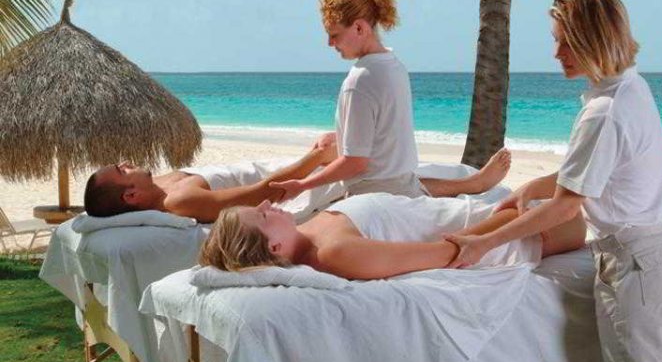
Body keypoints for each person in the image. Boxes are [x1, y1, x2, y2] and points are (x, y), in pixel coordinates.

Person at [442, 0, 662, 362]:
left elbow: (565, 209)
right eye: (556, 40)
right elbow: (604, 166)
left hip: (639, 266)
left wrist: (484, 243)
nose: (557, 53)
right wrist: (534, 185)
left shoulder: (603, 112)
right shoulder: (633, 86)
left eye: (566, 42)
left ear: (594, 39)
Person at [199, 186, 662, 282]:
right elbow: (445, 252)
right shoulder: (338, 252)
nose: (267, 205)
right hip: (500, 237)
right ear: (274, 247)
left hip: (479, 216)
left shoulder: (312, 228)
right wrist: (509, 222)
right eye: (262, 215)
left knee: (601, 188)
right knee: (599, 218)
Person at [270, 0, 504, 200]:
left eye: (334, 35)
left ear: (359, 28)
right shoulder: (394, 66)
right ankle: (472, 183)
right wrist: (340, 135)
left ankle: (473, 183)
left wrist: (303, 185)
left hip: (374, 195)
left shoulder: (359, 81)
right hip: (402, 181)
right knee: (413, 183)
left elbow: (355, 163)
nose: (330, 43)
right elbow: (384, 128)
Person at [83, 139, 511, 223]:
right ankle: (471, 186)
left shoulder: (162, 183)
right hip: (288, 198)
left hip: (268, 167)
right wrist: (312, 160)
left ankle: (466, 181)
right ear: (132, 195)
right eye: (122, 170)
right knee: (371, 178)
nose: (127, 162)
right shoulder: (178, 203)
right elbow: (258, 193)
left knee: (376, 164)